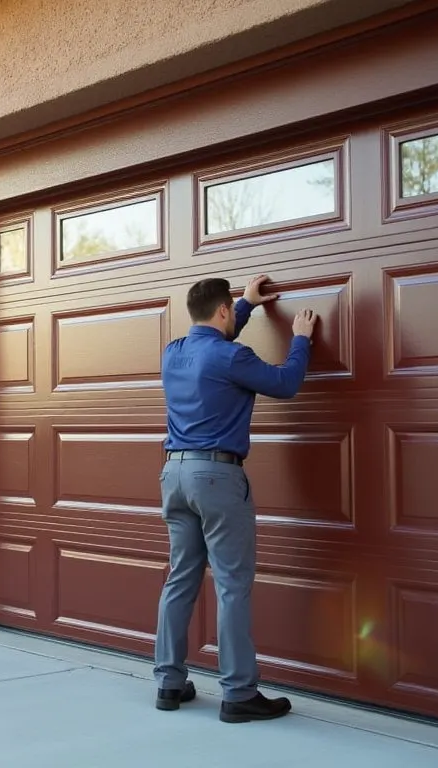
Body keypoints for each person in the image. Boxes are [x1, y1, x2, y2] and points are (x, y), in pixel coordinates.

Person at [152, 274, 317, 723]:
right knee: (232, 585)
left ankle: (169, 683)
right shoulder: (231, 356)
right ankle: (239, 694)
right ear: (221, 311)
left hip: (175, 474)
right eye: (231, 310)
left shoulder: (173, 353)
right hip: (218, 477)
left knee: (181, 578)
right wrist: (300, 339)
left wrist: (243, 304)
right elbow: (285, 383)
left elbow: (215, 340)